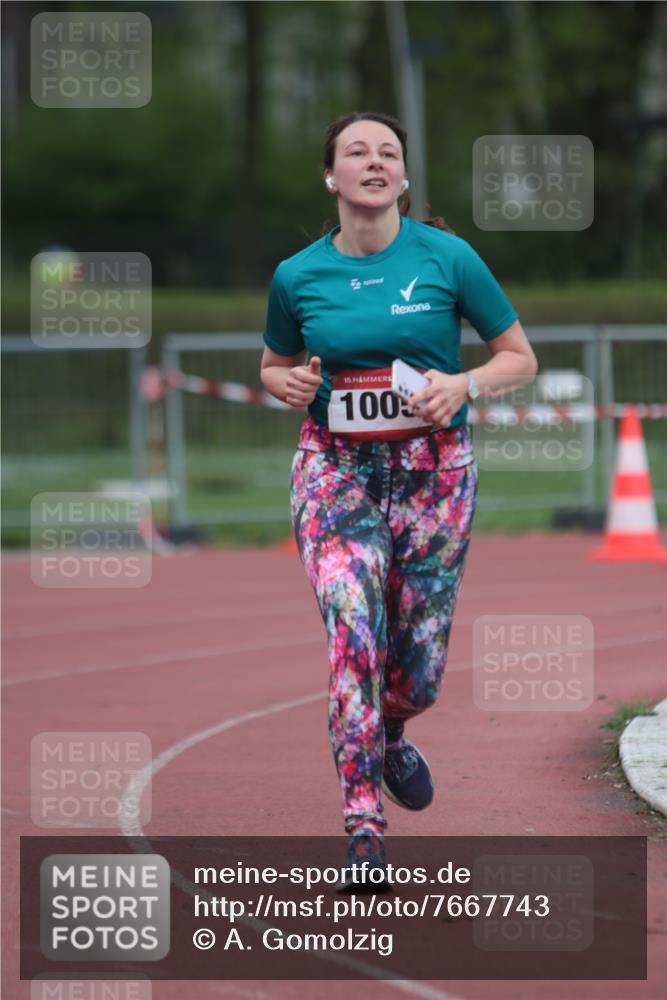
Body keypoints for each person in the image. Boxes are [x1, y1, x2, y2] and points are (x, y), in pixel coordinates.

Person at [260, 111, 537, 891]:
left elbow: (518, 357)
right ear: (332, 176)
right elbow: (273, 367)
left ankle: (388, 731)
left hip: (434, 474)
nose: (374, 161)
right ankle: (362, 830)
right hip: (334, 473)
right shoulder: (297, 275)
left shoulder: (447, 257)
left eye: (389, 152)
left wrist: (466, 383)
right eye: (357, 152)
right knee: (352, 632)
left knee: (417, 671)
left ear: (404, 178)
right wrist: (288, 384)